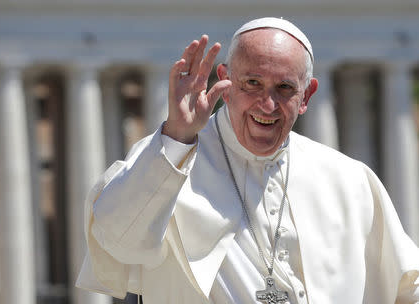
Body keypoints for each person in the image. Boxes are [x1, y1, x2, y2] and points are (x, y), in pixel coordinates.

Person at [76, 17, 419, 304]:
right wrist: (176, 136)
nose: (266, 105)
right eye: (252, 83)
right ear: (225, 82)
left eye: (284, 88)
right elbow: (116, 240)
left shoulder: (349, 180)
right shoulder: (167, 160)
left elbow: (406, 285)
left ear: (306, 95)